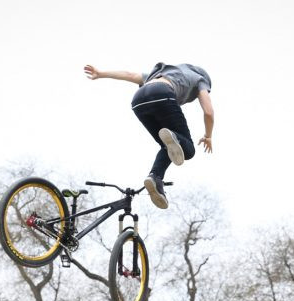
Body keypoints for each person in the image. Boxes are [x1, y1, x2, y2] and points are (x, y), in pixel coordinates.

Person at [84, 62, 214, 209]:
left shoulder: (163, 73)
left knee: (168, 146)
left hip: (138, 100)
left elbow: (130, 75)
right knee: (188, 150)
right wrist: (208, 136)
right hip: (163, 94)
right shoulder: (200, 79)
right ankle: (174, 137)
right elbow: (208, 112)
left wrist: (101, 74)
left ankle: (155, 178)